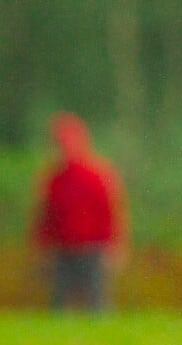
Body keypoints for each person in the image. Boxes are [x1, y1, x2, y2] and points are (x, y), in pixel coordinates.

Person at [33, 112, 127, 311]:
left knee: (97, 303)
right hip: (62, 250)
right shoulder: (53, 179)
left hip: (93, 249)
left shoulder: (98, 175)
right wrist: (42, 247)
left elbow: (111, 213)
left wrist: (114, 246)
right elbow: (46, 217)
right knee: (60, 304)